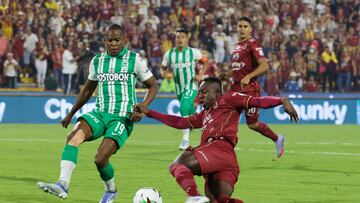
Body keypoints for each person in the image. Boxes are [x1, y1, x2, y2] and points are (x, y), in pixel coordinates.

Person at [37, 24, 158, 203]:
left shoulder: (135, 60)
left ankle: (111, 190)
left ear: (124, 40)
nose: (114, 44)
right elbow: (87, 90)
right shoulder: (97, 61)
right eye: (110, 40)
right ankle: (62, 184)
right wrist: (71, 113)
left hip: (122, 117)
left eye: (117, 40)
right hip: (100, 113)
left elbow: (153, 86)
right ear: (105, 42)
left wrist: (142, 107)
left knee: (100, 159)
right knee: (73, 138)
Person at [135, 77, 299, 203]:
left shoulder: (228, 99)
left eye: (205, 92)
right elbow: (180, 122)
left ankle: (193, 196)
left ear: (217, 93)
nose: (201, 96)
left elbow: (257, 101)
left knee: (177, 165)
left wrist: (281, 100)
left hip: (219, 149)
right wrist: (149, 113)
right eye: (200, 93)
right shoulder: (204, 114)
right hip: (225, 162)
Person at [225, 16, 286, 157]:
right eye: (240, 26)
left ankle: (277, 138)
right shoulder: (236, 46)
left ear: (250, 29)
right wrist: (226, 74)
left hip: (250, 90)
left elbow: (264, 66)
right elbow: (238, 68)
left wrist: (249, 76)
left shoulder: (253, 44)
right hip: (235, 89)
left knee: (253, 124)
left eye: (245, 26)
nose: (242, 29)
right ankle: (223, 149)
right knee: (227, 118)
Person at [161, 27, 207, 150]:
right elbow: (163, 68)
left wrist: (200, 74)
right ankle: (203, 121)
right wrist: (165, 74)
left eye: (183, 37)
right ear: (175, 39)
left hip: (191, 86)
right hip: (179, 89)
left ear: (187, 39)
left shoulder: (193, 52)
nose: (180, 39)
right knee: (190, 110)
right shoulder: (169, 54)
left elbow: (206, 62)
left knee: (184, 107)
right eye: (178, 37)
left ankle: (185, 141)